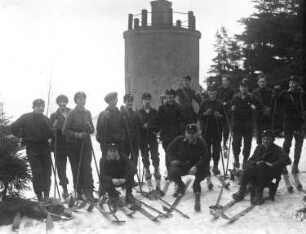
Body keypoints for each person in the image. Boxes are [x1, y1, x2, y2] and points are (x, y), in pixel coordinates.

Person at [232, 130, 291, 205]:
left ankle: (259, 195)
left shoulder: (277, 149)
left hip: (271, 176)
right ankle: (241, 191)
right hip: (258, 174)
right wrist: (255, 163)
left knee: (262, 165)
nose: (266, 141)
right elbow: (250, 160)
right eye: (264, 139)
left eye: (268, 139)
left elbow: (287, 160)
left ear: (272, 139)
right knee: (250, 168)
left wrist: (272, 164)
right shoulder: (259, 147)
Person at [10, 99, 53, 201]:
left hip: (45, 148)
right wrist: (22, 136)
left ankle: (46, 195)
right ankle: (39, 196)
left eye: (42, 106)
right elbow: (13, 127)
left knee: (47, 172)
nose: (41, 108)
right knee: (37, 172)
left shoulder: (46, 119)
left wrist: (53, 131)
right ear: (33, 107)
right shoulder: (26, 117)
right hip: (33, 148)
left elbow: (50, 134)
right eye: (38, 106)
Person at [62, 91, 95, 201]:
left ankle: (89, 191)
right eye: (80, 99)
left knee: (87, 168)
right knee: (76, 169)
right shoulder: (71, 113)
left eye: (84, 99)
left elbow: (92, 130)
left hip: (86, 145)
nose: (82, 101)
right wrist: (77, 134)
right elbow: (65, 130)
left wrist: (89, 127)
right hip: (74, 146)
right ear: (76, 100)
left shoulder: (88, 113)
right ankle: (79, 191)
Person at [167, 124, 210, 196]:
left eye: (193, 133)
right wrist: (172, 160)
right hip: (182, 165)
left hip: (195, 166)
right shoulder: (179, 140)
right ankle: (181, 185)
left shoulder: (201, 142)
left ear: (197, 133)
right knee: (172, 172)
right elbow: (170, 149)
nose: (190, 135)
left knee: (205, 169)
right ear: (185, 133)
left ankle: (196, 183)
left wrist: (197, 166)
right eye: (188, 133)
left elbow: (206, 157)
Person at [230, 79, 262, 172]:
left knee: (247, 143)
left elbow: (260, 106)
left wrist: (255, 108)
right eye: (242, 87)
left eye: (245, 87)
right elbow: (229, 109)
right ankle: (236, 159)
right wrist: (231, 108)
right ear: (239, 88)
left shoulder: (252, 97)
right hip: (237, 123)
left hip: (248, 122)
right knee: (236, 143)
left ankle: (245, 160)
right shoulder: (235, 97)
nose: (243, 88)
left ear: (247, 88)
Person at [277, 76, 305, 174]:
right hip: (288, 122)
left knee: (298, 145)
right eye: (290, 83)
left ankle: (295, 165)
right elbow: (276, 101)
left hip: (299, 123)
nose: (292, 85)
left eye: (294, 82)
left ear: (298, 83)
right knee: (287, 143)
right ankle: (284, 165)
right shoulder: (285, 94)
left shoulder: (302, 94)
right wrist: (276, 92)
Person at [99, 142, 137, 207]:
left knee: (130, 176)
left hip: (121, 179)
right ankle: (113, 196)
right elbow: (102, 175)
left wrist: (125, 179)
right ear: (107, 152)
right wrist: (111, 180)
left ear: (118, 152)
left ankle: (129, 195)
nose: (112, 153)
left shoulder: (123, 157)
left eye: (115, 151)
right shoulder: (103, 160)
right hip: (111, 181)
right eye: (110, 151)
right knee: (104, 182)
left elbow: (133, 169)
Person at [198, 83, 224, 175]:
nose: (212, 92)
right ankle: (207, 166)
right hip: (206, 128)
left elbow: (225, 117)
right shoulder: (204, 103)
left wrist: (219, 115)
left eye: (213, 91)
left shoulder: (220, 103)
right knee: (206, 149)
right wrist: (205, 114)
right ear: (207, 92)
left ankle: (216, 166)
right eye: (210, 91)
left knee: (216, 148)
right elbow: (199, 115)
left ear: (216, 92)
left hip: (217, 128)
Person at [157, 88, 184, 175]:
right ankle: (169, 172)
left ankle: (177, 171)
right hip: (166, 135)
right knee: (168, 154)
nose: (169, 98)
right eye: (168, 96)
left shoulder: (179, 107)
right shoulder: (161, 108)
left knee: (177, 154)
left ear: (174, 97)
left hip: (176, 135)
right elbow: (159, 121)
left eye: (171, 96)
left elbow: (183, 120)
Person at [138, 93, 161, 190]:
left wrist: (150, 127)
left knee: (155, 154)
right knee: (144, 154)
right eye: (145, 99)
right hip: (143, 138)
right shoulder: (138, 112)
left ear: (150, 100)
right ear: (142, 101)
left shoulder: (155, 112)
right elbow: (137, 126)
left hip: (152, 136)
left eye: (148, 99)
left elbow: (159, 126)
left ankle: (156, 169)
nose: (147, 101)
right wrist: (142, 127)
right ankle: (147, 170)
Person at [50, 95, 71, 198]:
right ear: (58, 103)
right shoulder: (54, 115)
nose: (62, 104)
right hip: (59, 146)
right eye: (60, 102)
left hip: (72, 145)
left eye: (64, 102)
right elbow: (50, 132)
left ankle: (79, 189)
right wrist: (54, 127)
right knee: (61, 169)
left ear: (66, 102)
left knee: (76, 167)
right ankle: (65, 189)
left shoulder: (72, 113)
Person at [96, 92, 125, 156]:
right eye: (112, 99)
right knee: (106, 163)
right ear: (108, 101)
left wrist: (122, 138)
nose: (115, 101)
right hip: (107, 144)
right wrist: (102, 141)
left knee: (119, 163)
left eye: (115, 99)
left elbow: (124, 128)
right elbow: (99, 129)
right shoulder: (102, 114)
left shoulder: (120, 113)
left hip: (118, 143)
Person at [252, 74, 274, 144]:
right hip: (258, 117)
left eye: (263, 82)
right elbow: (253, 103)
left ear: (266, 82)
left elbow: (273, 103)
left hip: (268, 117)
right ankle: (260, 152)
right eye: (260, 82)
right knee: (259, 136)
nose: (262, 83)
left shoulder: (271, 91)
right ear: (258, 83)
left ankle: (268, 152)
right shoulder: (254, 92)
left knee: (268, 135)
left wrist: (269, 109)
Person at [120, 94, 141, 168]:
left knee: (134, 160)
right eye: (128, 101)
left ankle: (131, 177)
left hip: (134, 141)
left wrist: (138, 114)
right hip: (125, 141)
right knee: (125, 160)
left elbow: (140, 124)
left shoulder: (135, 112)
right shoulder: (121, 113)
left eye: (131, 101)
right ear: (124, 102)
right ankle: (125, 177)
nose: (130, 103)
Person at [217, 75, 235, 150]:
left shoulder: (232, 91)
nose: (223, 82)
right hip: (219, 112)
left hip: (227, 112)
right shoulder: (218, 89)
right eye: (222, 81)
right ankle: (218, 143)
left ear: (228, 82)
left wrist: (227, 103)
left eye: (225, 81)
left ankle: (224, 143)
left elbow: (233, 100)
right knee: (218, 129)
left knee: (226, 130)